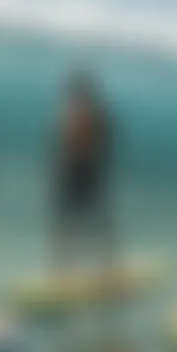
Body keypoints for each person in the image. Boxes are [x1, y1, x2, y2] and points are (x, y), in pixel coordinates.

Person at [52, 71, 115, 269]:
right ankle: (64, 266)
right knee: (66, 220)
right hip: (73, 170)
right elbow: (63, 147)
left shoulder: (93, 115)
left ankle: (108, 264)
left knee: (96, 218)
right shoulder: (69, 114)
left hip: (87, 170)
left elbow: (104, 144)